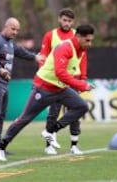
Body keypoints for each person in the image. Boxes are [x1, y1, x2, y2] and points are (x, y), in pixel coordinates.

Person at [0, 24, 95, 161]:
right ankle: (0, 147)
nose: (90, 43)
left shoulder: (81, 49)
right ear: (78, 37)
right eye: (87, 40)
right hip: (44, 87)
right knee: (25, 119)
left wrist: (82, 80)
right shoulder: (65, 47)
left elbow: (72, 71)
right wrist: (82, 85)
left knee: (81, 106)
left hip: (60, 88)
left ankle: (50, 131)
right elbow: (60, 73)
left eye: (91, 40)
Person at [0, 17, 43, 157]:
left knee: (1, 115)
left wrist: (35, 57)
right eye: (13, 28)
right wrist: (0, 69)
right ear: (6, 26)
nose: (15, 32)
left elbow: (21, 52)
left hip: (4, 83)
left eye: (17, 30)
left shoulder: (10, 43)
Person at [39, 8, 85, 155]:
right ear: (59, 19)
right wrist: (45, 77)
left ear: (73, 22)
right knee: (53, 112)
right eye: (64, 20)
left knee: (75, 112)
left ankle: (74, 145)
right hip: (55, 81)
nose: (67, 23)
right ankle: (49, 145)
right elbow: (43, 57)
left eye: (69, 21)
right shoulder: (50, 35)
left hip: (73, 80)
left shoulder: (78, 35)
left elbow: (83, 58)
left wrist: (83, 77)